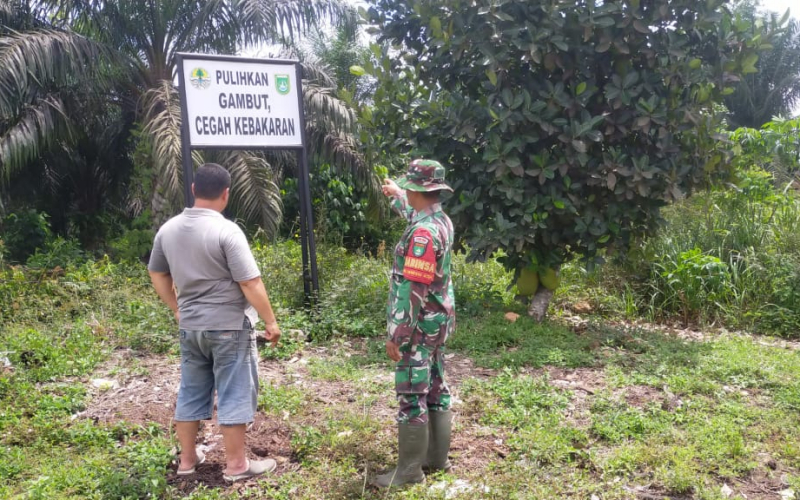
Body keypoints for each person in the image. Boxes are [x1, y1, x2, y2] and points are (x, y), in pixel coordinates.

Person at [148, 163, 282, 482]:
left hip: (191, 327)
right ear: (226, 194)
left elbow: (157, 273)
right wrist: (271, 322)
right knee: (234, 391)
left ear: (193, 190)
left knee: (191, 390)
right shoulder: (226, 231)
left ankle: (187, 460)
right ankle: (237, 466)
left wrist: (177, 308)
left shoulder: (167, 230)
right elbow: (250, 283)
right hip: (228, 326)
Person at [373, 159, 456, 488]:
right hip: (438, 324)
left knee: (411, 394)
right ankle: (436, 458)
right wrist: (395, 195)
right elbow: (413, 214)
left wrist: (398, 334)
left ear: (416, 189)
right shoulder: (440, 220)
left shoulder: (422, 234)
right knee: (435, 387)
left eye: (406, 187)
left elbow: (413, 290)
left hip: (419, 327)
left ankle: (408, 473)